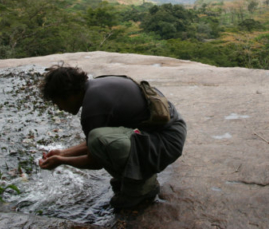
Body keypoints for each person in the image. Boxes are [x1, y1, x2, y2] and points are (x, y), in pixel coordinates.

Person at [38, 65, 187, 209]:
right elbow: (95, 143)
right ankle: (137, 173)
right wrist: (63, 152)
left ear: (68, 95)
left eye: (57, 102)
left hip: (167, 142)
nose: (59, 108)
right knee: (99, 138)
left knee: (99, 140)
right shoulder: (96, 86)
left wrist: (61, 161)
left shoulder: (93, 108)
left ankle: (142, 187)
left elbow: (95, 160)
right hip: (169, 130)